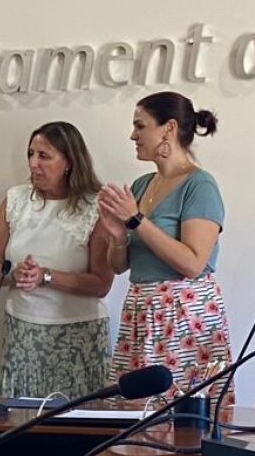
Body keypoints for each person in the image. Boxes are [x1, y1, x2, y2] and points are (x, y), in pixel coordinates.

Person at [0, 121, 114, 456]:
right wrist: (14, 275)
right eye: (31, 154)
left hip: (78, 338)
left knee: (72, 435)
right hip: (23, 333)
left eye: (44, 156)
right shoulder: (14, 200)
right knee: (20, 431)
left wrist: (47, 277)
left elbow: (101, 283)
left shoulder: (95, 206)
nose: (33, 163)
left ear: (69, 161)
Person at [98, 91, 232, 396]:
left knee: (179, 409)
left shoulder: (200, 185)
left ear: (169, 128)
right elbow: (119, 266)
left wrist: (136, 220)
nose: (133, 136)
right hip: (141, 312)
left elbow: (193, 263)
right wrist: (117, 236)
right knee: (134, 408)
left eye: (140, 126)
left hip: (184, 316)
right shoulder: (142, 185)